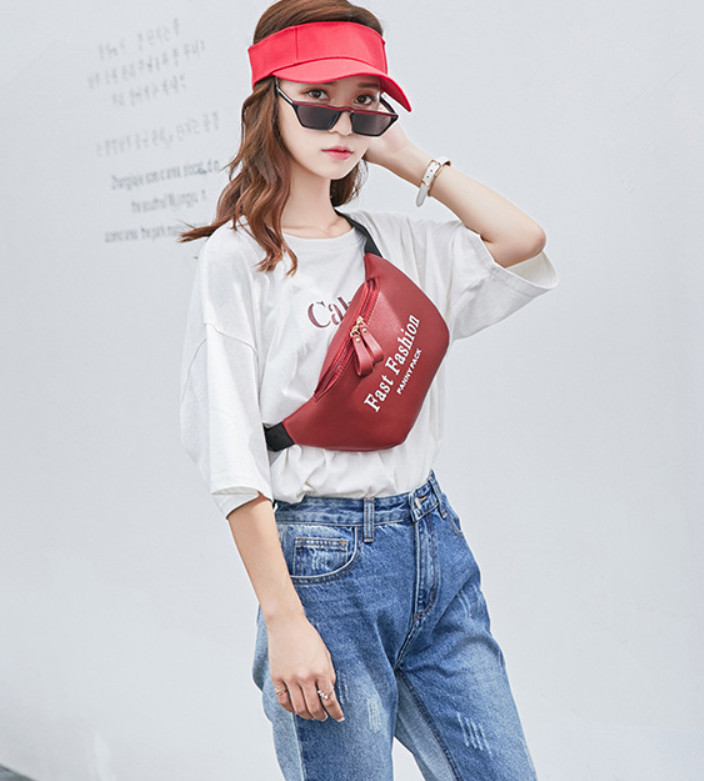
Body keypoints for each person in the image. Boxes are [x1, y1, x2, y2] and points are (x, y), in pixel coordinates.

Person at [178, 1, 558, 778]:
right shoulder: (239, 258)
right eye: (318, 99)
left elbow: (522, 242)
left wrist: (408, 158)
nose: (342, 123)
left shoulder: (398, 243)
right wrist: (285, 619)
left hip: (433, 542)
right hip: (321, 563)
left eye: (365, 103)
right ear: (269, 101)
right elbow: (231, 451)